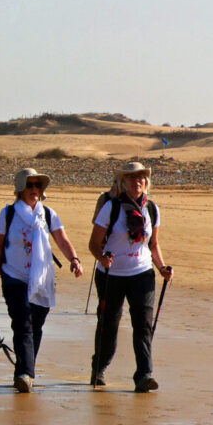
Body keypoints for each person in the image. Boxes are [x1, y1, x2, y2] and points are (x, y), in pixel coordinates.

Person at [0, 167, 83, 393]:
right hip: (14, 278)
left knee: (35, 328)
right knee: (23, 325)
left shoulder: (48, 214)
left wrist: (74, 259)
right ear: (20, 189)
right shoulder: (7, 214)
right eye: (29, 185)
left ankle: (24, 369)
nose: (34, 189)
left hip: (42, 279)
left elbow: (62, 241)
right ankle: (25, 374)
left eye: (37, 185)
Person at [88, 160, 172, 392]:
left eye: (141, 178)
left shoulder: (152, 209)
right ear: (123, 183)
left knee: (143, 326)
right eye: (132, 178)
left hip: (142, 274)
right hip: (110, 275)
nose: (138, 182)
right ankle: (99, 368)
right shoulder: (111, 208)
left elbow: (153, 245)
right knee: (108, 325)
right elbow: (94, 244)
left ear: (147, 183)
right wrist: (101, 257)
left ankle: (144, 375)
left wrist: (162, 267)